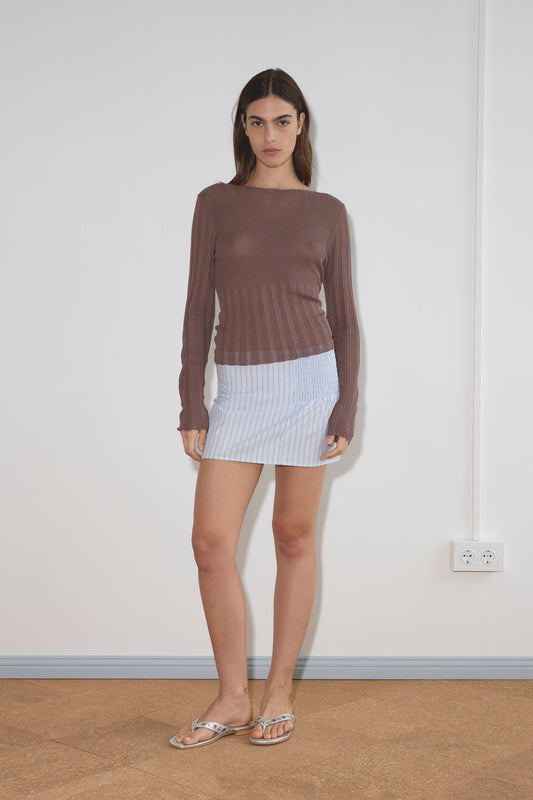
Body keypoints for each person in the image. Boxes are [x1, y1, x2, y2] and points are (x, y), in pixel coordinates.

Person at [170, 68, 360, 749]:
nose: (270, 134)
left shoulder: (326, 212)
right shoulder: (215, 203)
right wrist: (193, 400)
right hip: (240, 391)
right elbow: (197, 308)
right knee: (211, 542)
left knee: (291, 537)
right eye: (257, 121)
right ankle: (230, 697)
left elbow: (344, 320)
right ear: (242, 129)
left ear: (300, 125)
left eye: (283, 120)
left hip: (312, 385)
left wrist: (345, 408)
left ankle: (277, 688)